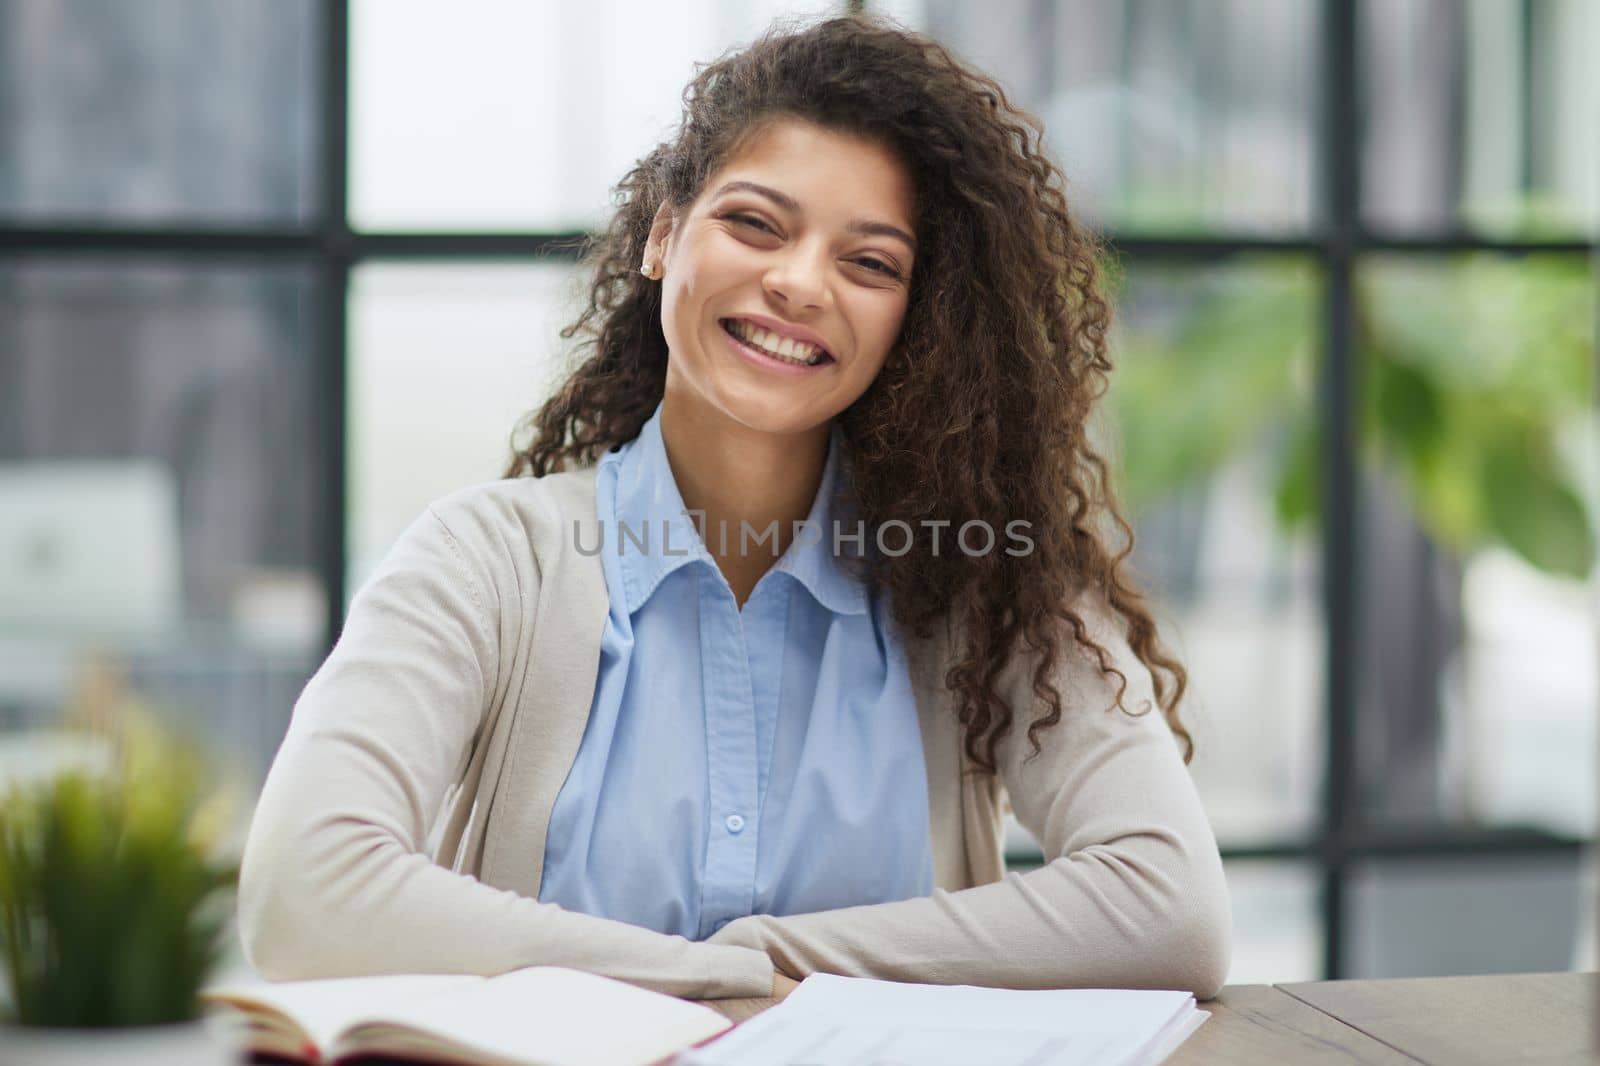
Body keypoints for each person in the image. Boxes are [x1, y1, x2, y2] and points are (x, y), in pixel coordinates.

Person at [238, 14, 1231, 1003]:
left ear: (913, 317)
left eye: (870, 262)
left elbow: (1169, 908)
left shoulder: (980, 573)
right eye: (755, 224)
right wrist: (711, 973)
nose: (798, 283)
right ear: (663, 235)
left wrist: (774, 953)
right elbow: (303, 890)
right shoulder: (487, 561)